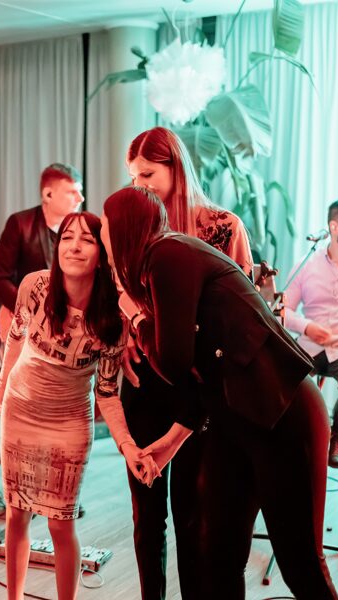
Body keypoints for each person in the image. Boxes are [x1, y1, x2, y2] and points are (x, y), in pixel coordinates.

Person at [101, 186, 338, 600]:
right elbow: (202, 375)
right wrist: (171, 442)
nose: (102, 233)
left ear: (123, 227)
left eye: (105, 224)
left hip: (282, 411)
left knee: (300, 563)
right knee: (217, 556)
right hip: (234, 419)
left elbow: (174, 363)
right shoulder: (163, 262)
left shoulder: (168, 253)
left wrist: (136, 317)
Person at [0, 211, 158, 600]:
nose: (74, 247)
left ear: (101, 254)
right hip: (20, 410)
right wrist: (1, 386)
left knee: (60, 524)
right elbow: (16, 337)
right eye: (67, 238)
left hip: (69, 423)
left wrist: (127, 445)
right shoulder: (35, 287)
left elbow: (107, 392)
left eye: (86, 239)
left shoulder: (113, 317)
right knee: (16, 515)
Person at [120, 126, 253, 600]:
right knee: (146, 516)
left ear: (176, 168)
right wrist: (129, 326)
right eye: (133, 178)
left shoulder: (222, 226)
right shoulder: (133, 229)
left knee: (194, 516)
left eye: (148, 175)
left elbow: (246, 304)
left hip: (201, 386)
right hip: (145, 380)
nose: (140, 186)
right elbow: (117, 290)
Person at [284, 199, 338, 468]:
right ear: (334, 227)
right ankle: (291, 438)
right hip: (310, 344)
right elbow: (282, 310)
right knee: (281, 374)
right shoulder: (307, 264)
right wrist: (307, 326)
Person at [0, 163, 83, 337]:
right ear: (48, 195)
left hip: (68, 321)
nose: (81, 198)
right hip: (25, 320)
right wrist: (28, 309)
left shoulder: (81, 228)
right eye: (72, 192)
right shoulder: (20, 223)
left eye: (80, 191)